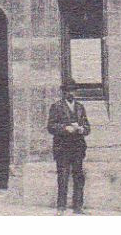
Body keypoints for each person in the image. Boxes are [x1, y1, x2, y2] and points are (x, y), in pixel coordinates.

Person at [46, 83, 90, 214]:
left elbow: (88, 127)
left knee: (78, 177)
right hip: (62, 148)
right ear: (63, 92)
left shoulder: (80, 108)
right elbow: (51, 126)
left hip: (78, 147)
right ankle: (61, 207)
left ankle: (78, 207)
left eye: (73, 91)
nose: (71, 93)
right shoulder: (56, 107)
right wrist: (65, 128)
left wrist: (82, 129)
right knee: (63, 176)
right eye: (68, 91)